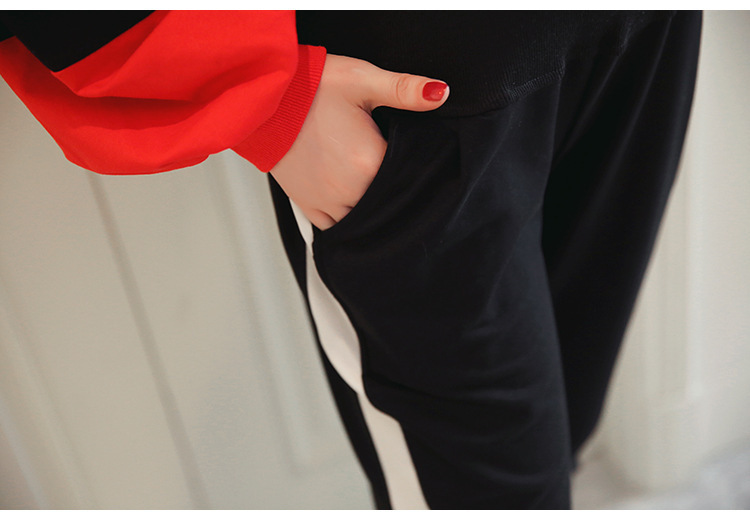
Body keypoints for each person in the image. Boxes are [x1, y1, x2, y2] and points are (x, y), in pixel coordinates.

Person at [0, 10, 702, 509]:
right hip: (411, 91)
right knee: (488, 491)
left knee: (567, 409)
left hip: (642, 31)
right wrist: (270, 100)